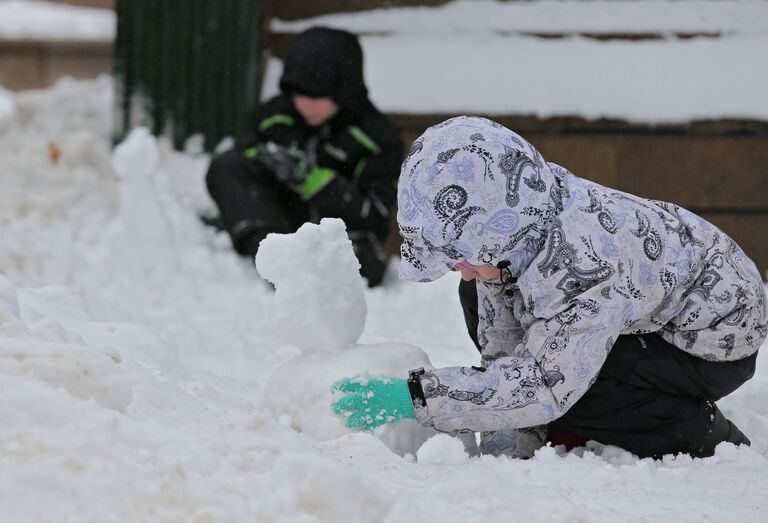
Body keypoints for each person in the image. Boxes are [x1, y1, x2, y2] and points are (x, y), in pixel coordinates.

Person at [332, 116, 766, 459]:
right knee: (479, 295)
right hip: (637, 309)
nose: (462, 271)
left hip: (712, 339)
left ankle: (703, 435)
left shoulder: (582, 268)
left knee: (582, 390)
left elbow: (546, 383)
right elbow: (507, 345)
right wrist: (510, 449)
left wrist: (422, 398)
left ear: (492, 232)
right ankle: (598, 417)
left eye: (462, 259)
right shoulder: (519, 216)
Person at [205, 27, 403, 287]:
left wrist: (313, 181)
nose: (305, 104)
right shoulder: (276, 116)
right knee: (225, 165)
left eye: (316, 95)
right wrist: (269, 158)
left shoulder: (378, 139)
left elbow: (374, 217)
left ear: (345, 91)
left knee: (360, 264)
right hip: (280, 227)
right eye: (298, 93)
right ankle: (270, 256)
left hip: (340, 237)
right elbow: (243, 159)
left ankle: (312, 273)